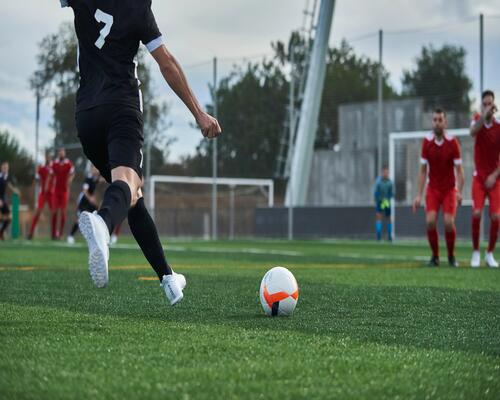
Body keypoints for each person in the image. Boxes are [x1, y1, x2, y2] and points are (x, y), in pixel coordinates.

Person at [60, 0, 221, 305]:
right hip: (121, 107)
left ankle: (168, 279)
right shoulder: (137, 8)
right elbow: (167, 63)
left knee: (133, 198)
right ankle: (103, 225)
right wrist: (200, 114)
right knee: (128, 184)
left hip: (86, 116)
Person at [413, 109, 464, 267]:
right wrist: (418, 195)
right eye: (434, 120)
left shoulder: (453, 142)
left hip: (449, 189)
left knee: (449, 222)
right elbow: (422, 171)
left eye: (440, 120)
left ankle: (451, 256)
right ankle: (435, 257)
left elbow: (460, 171)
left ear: (445, 122)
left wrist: (460, 192)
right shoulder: (426, 142)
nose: (437, 123)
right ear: (432, 122)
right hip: (433, 188)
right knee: (430, 222)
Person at [469, 90, 500, 268]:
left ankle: (489, 254)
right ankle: (475, 252)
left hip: (494, 179)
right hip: (479, 178)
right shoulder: (476, 121)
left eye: (490, 104)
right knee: (476, 213)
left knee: (496, 217)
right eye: (485, 104)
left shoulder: (499, 126)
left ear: (494, 105)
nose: (488, 107)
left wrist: (495, 175)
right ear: (481, 106)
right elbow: (472, 132)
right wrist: (483, 116)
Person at [67, 165, 101, 244]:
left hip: (89, 203)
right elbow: (85, 191)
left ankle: (95, 237)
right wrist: (91, 198)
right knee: (79, 219)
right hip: (83, 202)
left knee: (97, 216)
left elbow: (102, 180)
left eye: (96, 169)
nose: (95, 170)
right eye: (94, 169)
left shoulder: (95, 179)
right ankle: (70, 236)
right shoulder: (88, 179)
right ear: (91, 170)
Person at [28, 152, 55, 240]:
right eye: (46, 157)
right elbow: (37, 178)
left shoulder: (53, 167)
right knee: (38, 211)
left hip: (51, 194)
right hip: (43, 193)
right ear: (45, 157)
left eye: (49, 157)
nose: (48, 158)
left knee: (53, 212)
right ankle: (31, 233)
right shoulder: (41, 168)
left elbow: (55, 178)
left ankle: (54, 234)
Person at [51, 147, 75, 240]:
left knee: (63, 213)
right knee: (54, 212)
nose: (61, 153)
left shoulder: (68, 163)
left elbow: (73, 173)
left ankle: (60, 233)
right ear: (58, 153)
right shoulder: (55, 163)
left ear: (64, 153)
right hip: (56, 191)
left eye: (62, 152)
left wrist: (70, 179)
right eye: (59, 152)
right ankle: (53, 233)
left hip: (64, 191)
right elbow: (51, 174)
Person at [0, 161, 20, 240]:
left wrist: (15, 191)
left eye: (7, 167)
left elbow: (9, 185)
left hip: (3, 199)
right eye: (4, 167)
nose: (6, 169)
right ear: (1, 168)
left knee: (9, 218)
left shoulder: (7, 177)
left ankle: (1, 232)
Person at [373, 166, 393, 241]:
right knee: (378, 216)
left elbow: (392, 193)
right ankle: (378, 235)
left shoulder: (390, 183)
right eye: (384, 172)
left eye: (387, 172)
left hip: (386, 202)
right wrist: (378, 199)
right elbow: (375, 192)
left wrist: (387, 198)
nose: (386, 174)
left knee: (388, 218)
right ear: (382, 173)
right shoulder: (378, 182)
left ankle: (389, 235)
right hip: (380, 202)